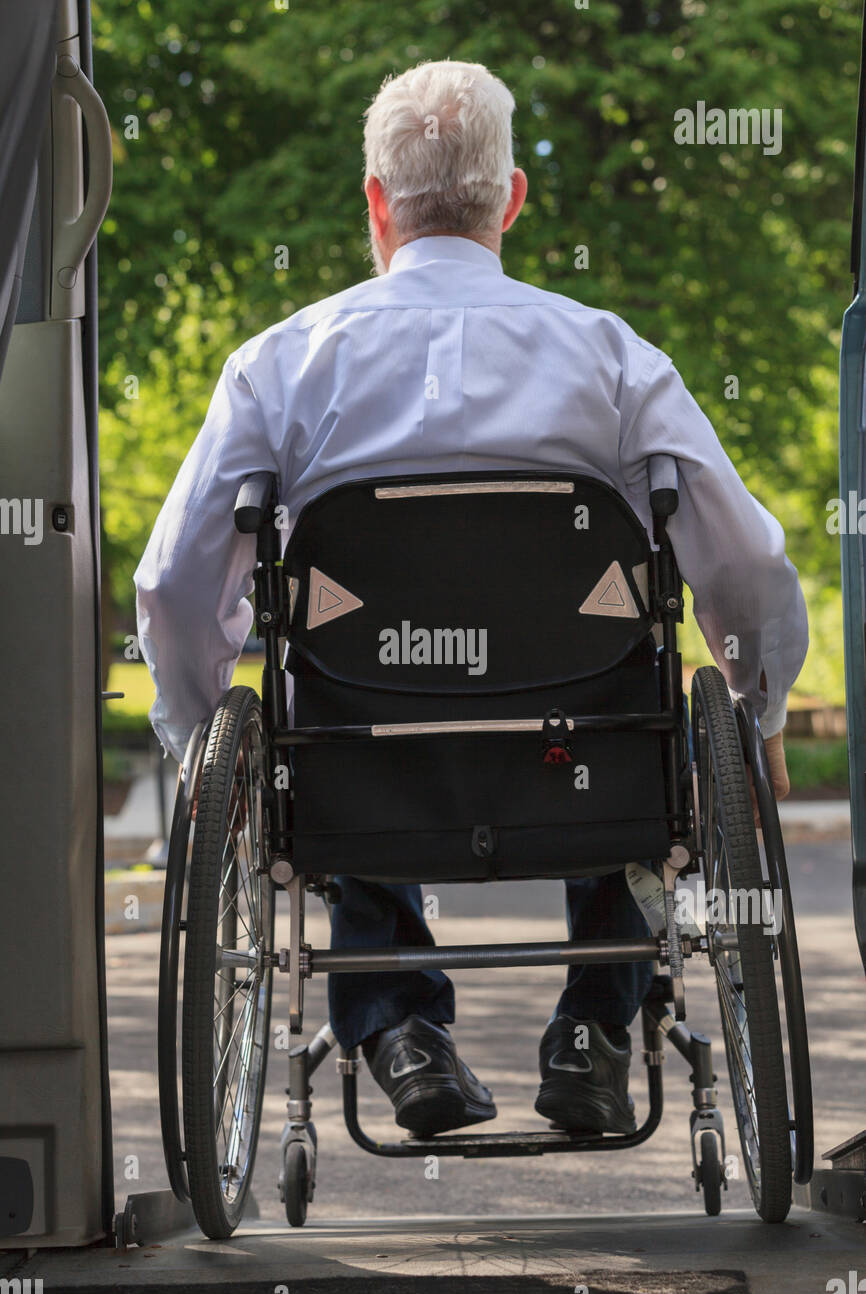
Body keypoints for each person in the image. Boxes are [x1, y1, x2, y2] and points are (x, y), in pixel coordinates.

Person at [135, 60, 808, 1140]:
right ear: (510, 199)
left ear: (373, 202)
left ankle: (400, 1029)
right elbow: (742, 564)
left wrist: (193, 736)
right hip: (584, 766)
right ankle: (592, 1025)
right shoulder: (611, 360)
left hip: (367, 774)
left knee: (333, 707)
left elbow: (173, 582)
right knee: (634, 694)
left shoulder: (281, 366)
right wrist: (754, 697)